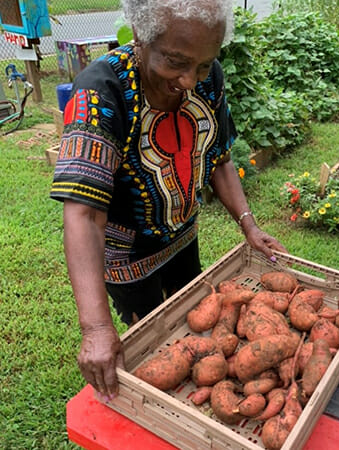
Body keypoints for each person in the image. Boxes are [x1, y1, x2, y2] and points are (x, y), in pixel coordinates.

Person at [50, 0, 287, 401]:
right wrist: (94, 329)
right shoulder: (100, 92)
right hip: (129, 258)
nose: (190, 80)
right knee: (150, 334)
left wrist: (250, 224)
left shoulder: (207, 79)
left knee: (195, 317)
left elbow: (219, 157)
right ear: (141, 38)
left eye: (203, 64)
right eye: (176, 61)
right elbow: (85, 214)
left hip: (182, 237)